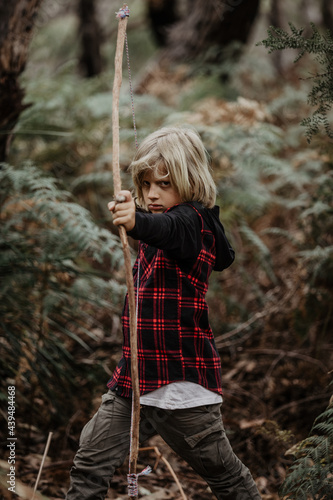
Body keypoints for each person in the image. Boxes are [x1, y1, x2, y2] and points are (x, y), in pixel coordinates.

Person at [66, 127, 261, 500]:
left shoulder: (195, 222)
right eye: (146, 183)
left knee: (227, 478)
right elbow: (156, 225)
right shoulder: (160, 221)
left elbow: (169, 228)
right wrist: (133, 212)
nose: (153, 193)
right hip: (134, 381)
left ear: (190, 182)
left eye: (165, 183)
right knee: (90, 463)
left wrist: (137, 222)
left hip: (181, 386)